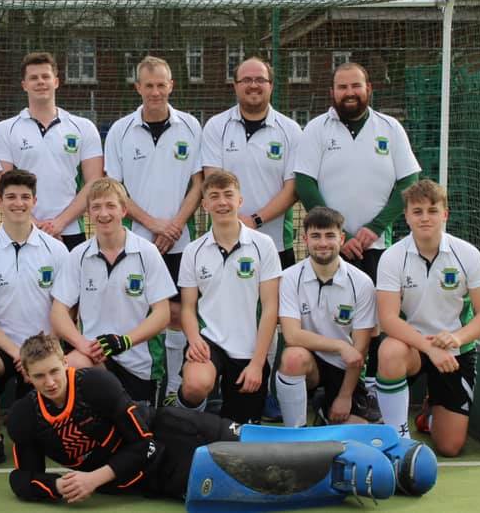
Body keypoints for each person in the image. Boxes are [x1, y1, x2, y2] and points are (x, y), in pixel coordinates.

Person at [294, 61, 421, 398]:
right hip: (332, 247)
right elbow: (304, 183)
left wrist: (375, 228)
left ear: (369, 89)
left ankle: (375, 388)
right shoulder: (316, 129)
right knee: (331, 316)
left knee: (378, 319)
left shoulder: (390, 128)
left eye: (355, 86)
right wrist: (344, 236)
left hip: (378, 246)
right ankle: (327, 386)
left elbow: (408, 181)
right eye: (342, 87)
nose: (349, 93)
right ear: (332, 92)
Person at [6, 333, 241, 503]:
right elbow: (21, 479)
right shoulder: (24, 416)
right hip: (146, 476)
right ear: (26, 375)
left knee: (243, 443)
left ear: (65, 362)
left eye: (54, 371)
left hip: (168, 433)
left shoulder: (95, 384)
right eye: (39, 376)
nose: (49, 382)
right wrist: (59, 486)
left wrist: (93, 479)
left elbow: (145, 444)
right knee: (225, 487)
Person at [103, 56, 203, 400]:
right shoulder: (120, 130)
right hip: (135, 239)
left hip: (180, 240)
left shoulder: (191, 126)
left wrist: (173, 226)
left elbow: (198, 184)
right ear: (138, 88)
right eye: (149, 86)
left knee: (176, 313)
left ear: (171, 86)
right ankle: (138, 382)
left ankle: (174, 388)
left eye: (162, 85)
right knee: (137, 310)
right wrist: (152, 223)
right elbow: (115, 190)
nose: (156, 92)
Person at [375, 179, 480, 456]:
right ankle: (397, 438)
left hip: (454, 352)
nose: (425, 217)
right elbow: (388, 318)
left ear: (445, 214)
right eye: (417, 211)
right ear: (406, 216)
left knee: (450, 447)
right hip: (413, 348)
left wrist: (456, 337)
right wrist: (428, 347)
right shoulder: (393, 257)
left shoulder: (467, 255)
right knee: (390, 350)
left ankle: (429, 413)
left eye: (432, 210)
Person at [0, 169, 69, 472]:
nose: (18, 203)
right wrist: (17, 354)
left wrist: (44, 353)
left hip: (45, 346)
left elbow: (66, 312)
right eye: (11, 197)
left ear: (34, 201)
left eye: (25, 197)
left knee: (33, 433)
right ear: (0, 202)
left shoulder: (57, 251)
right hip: (3, 345)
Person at [49, 178, 174, 404]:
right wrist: (82, 344)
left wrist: (125, 341)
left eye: (110, 206)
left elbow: (162, 314)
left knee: (139, 434)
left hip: (139, 363)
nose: (103, 213)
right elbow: (58, 311)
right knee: (71, 366)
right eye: (96, 207)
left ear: (124, 210)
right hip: (95, 358)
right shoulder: (78, 255)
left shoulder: (147, 252)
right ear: (88, 212)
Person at [176, 171, 280, 424]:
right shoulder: (193, 250)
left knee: (239, 431)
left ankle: (220, 414)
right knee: (195, 385)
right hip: (210, 340)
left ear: (240, 200)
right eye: (214, 196)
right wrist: (193, 339)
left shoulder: (263, 245)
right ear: (205, 205)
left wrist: (257, 363)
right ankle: (184, 424)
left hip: (250, 349)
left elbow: (270, 308)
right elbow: (187, 308)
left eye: (228, 195)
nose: (222, 202)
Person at [274, 206, 377, 427]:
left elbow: (360, 349)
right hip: (309, 363)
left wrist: (345, 396)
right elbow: (291, 336)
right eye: (316, 236)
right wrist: (340, 346)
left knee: (360, 430)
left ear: (341, 238)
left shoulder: (362, 282)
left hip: (344, 368)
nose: (323, 243)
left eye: (330, 235)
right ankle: (296, 435)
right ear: (305, 239)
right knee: (292, 357)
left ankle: (325, 408)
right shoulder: (290, 278)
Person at [0, 52, 103, 250]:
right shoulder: (4, 130)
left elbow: (94, 182)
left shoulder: (83, 127)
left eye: (45, 77)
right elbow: (4, 185)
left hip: (70, 231)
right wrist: (33, 224)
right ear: (24, 84)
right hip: (21, 231)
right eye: (33, 78)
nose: (40, 82)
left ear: (56, 81)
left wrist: (58, 223)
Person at [201, 56, 302, 270]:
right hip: (224, 241)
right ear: (235, 86)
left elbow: (292, 189)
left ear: (271, 85)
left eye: (260, 80)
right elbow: (212, 183)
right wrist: (236, 223)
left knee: (274, 305)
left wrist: (254, 221)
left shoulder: (291, 130)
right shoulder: (216, 126)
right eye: (246, 80)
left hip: (276, 245)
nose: (253, 85)